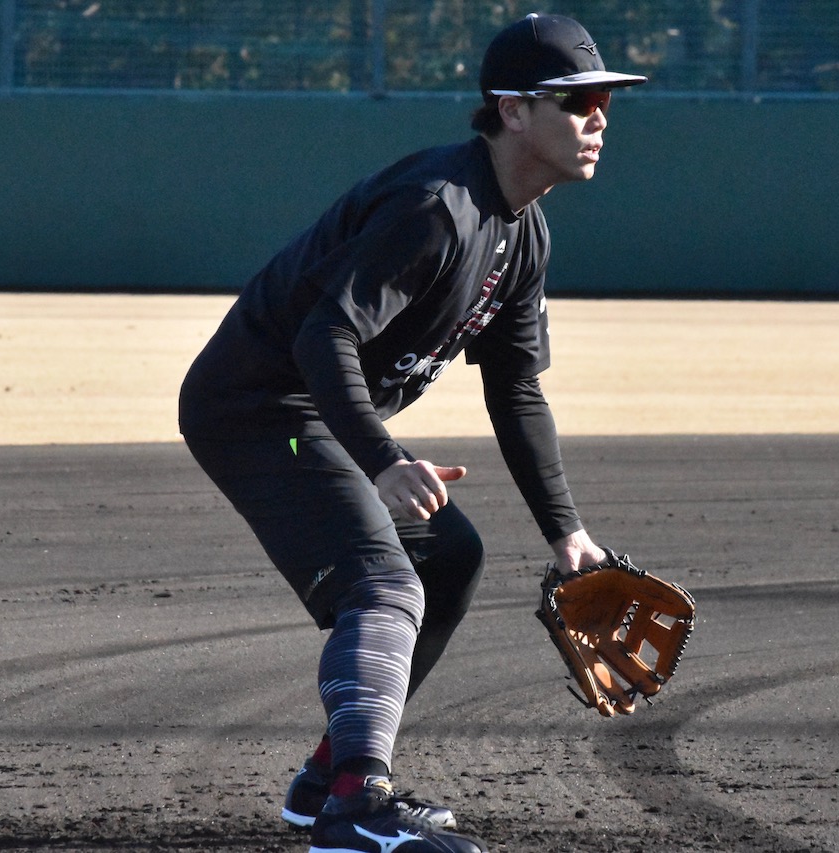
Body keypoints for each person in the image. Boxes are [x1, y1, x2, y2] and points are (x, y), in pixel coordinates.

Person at [178, 13, 646, 853]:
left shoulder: (524, 230)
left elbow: (514, 387)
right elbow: (322, 336)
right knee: (384, 584)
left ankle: (329, 778)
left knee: (448, 555)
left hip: (314, 412)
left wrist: (566, 531)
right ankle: (358, 808)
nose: (600, 116)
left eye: (604, 99)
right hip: (259, 409)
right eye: (578, 100)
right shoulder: (437, 206)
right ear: (511, 111)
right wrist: (385, 460)